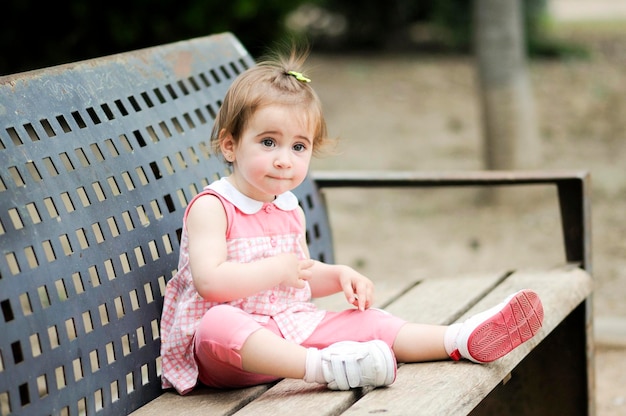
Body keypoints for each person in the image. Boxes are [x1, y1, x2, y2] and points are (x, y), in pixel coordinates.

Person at [159, 46, 544, 395]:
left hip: (285, 334)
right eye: (268, 142)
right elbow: (210, 283)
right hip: (227, 355)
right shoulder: (214, 206)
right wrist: (277, 269)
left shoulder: (288, 206)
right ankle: (326, 368)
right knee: (219, 323)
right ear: (230, 144)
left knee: (368, 322)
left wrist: (339, 274)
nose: (284, 159)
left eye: (298, 147)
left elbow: (300, 275)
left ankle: (459, 339)